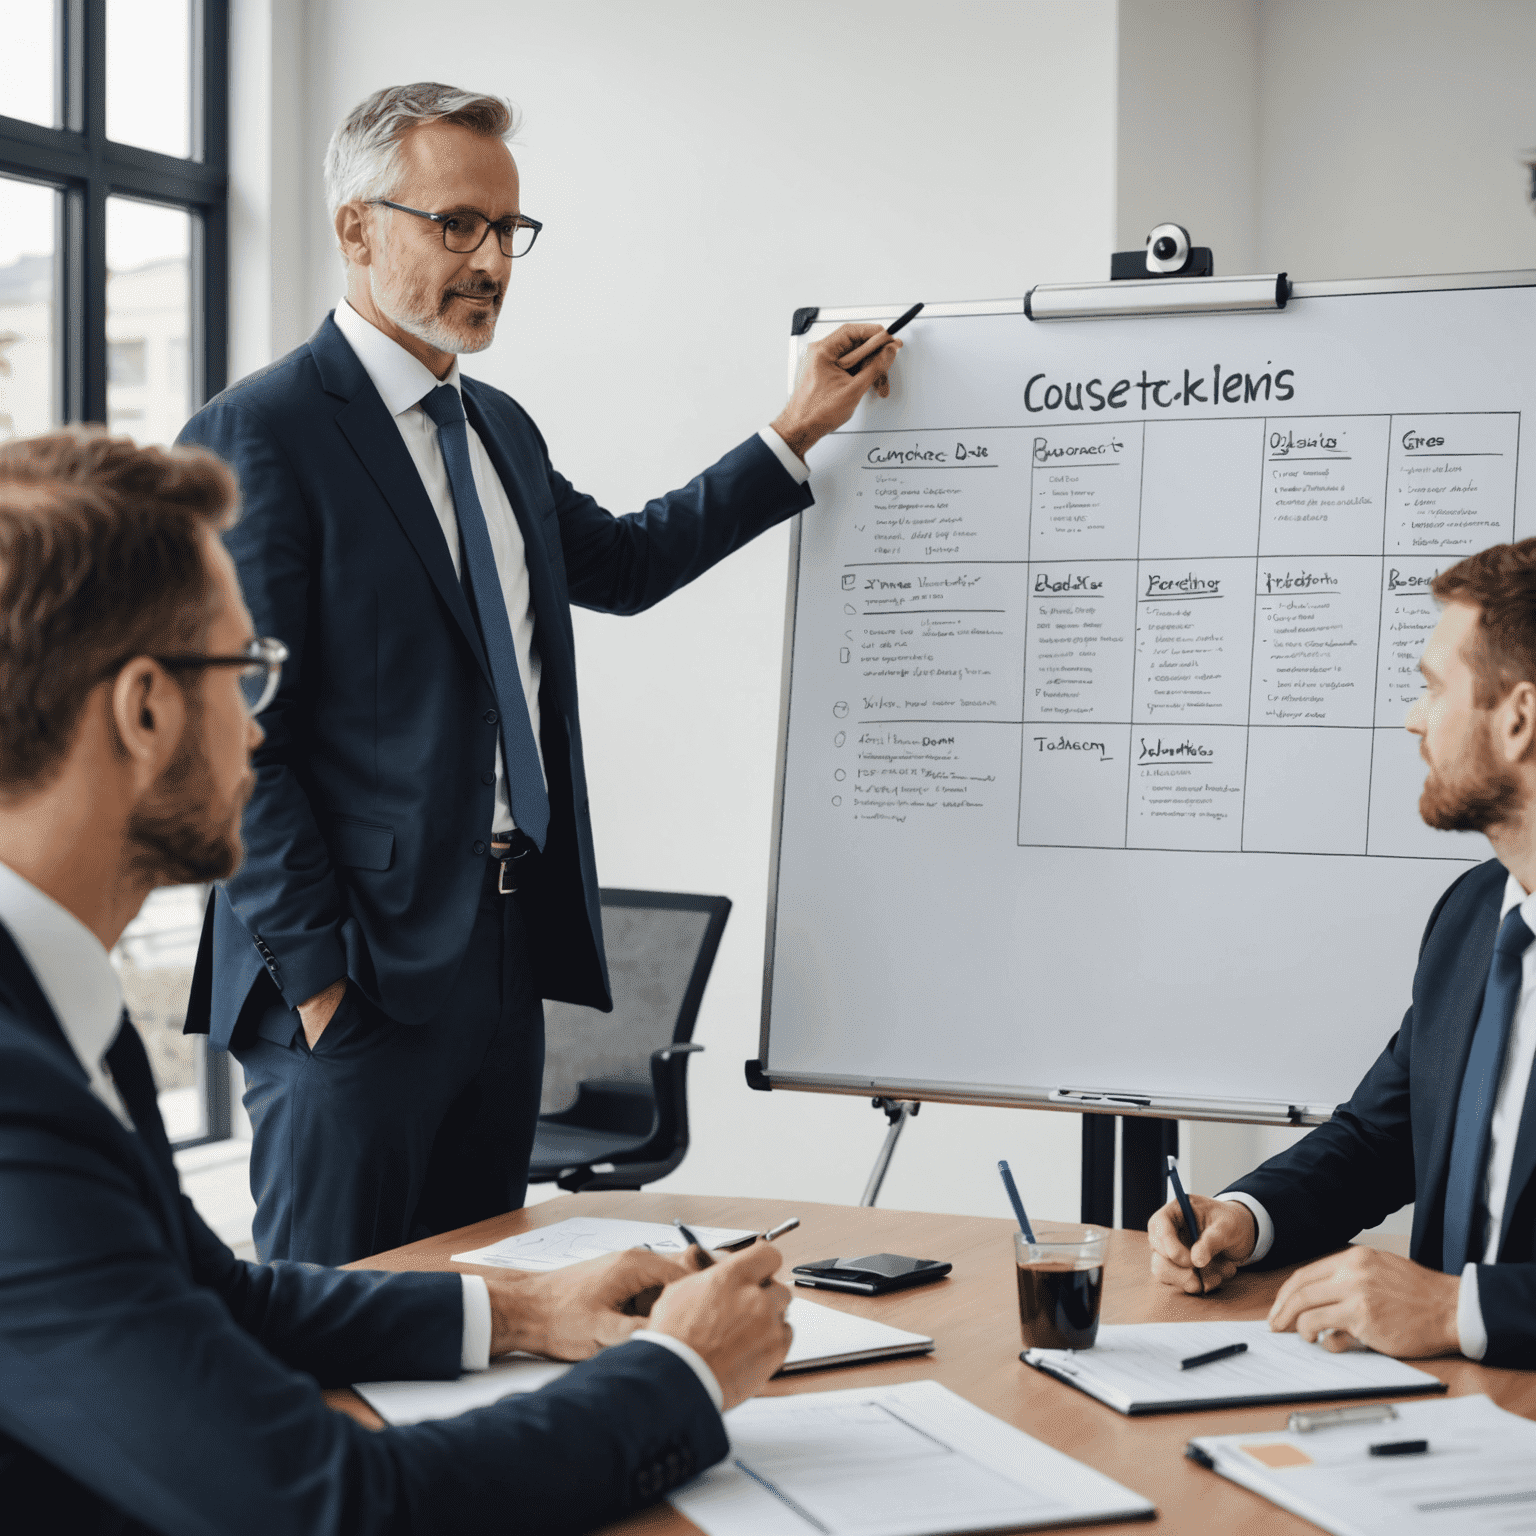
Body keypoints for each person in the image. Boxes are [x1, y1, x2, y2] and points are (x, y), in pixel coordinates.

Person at [0, 428, 793, 1533]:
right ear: (144, 710)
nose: (265, 721)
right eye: (247, 672)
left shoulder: (51, 1008)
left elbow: (221, 1295)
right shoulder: (17, 1098)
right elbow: (334, 1510)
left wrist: (524, 1305)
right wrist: (683, 1375)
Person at [176, 81, 901, 1266]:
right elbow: (235, 737)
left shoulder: (499, 427)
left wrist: (795, 430)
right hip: (352, 977)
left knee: (489, 1320)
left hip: (504, 962)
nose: (492, 261)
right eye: (455, 224)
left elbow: (626, 560)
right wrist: (318, 985)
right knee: (338, 1335)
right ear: (357, 229)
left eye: (507, 232)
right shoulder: (261, 434)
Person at [1148, 538, 1536, 1368]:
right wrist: (1249, 1217)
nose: (1412, 716)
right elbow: (1381, 1137)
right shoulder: (1475, 913)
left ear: (1518, 719)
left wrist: (1464, 1308)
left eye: (1435, 688)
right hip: (1440, 1411)